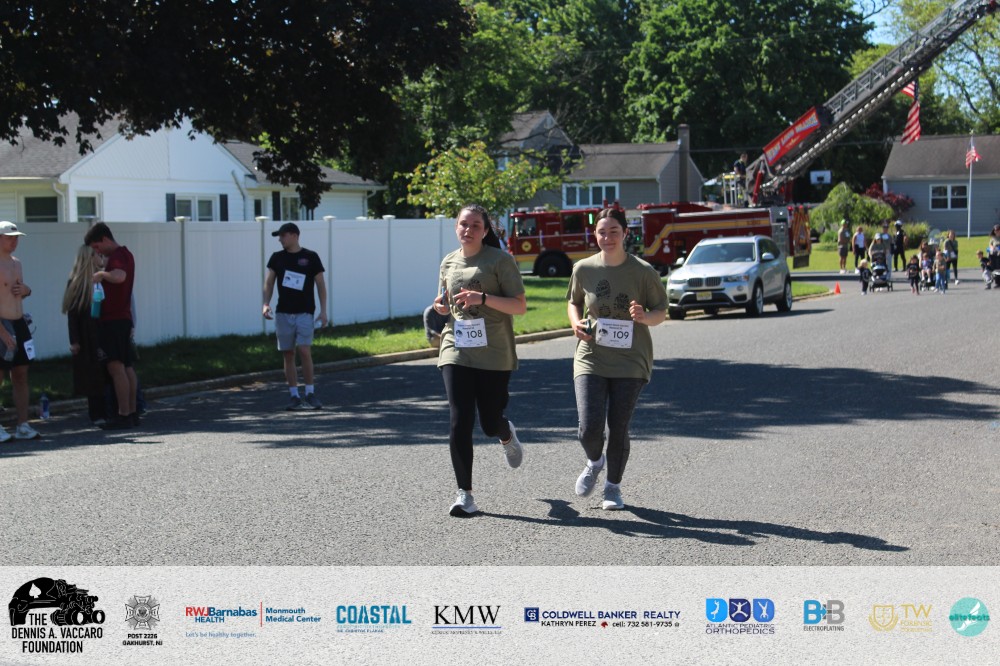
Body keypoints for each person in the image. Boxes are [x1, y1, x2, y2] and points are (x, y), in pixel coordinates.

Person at [567, 207, 667, 511]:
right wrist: (575, 323)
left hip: (630, 359)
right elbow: (573, 302)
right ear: (594, 234)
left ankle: (613, 487)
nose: (607, 237)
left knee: (618, 426)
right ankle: (594, 461)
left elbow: (661, 312)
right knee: (588, 428)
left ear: (625, 234)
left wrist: (644, 316)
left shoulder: (643, 272)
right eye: (602, 232)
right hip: (591, 356)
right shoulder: (583, 269)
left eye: (613, 231)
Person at [433, 204, 526, 517]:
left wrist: (483, 298)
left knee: (488, 422)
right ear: (456, 227)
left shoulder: (500, 260)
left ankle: (505, 433)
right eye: (463, 224)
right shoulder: (448, 261)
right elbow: (444, 303)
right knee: (459, 418)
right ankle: (465, 495)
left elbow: (519, 306)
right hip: (456, 347)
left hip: (494, 352)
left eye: (475, 225)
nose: (468, 230)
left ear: (485, 231)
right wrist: (441, 306)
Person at [263, 222, 328, 411]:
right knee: (288, 353)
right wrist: (265, 303)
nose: (280, 239)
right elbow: (269, 283)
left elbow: (320, 284)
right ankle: (294, 396)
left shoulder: (310, 257)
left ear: (294, 235)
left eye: (283, 235)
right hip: (283, 312)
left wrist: (323, 311)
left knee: (304, 351)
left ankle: (310, 393)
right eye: (279, 236)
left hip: (305, 312)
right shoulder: (277, 258)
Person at [85, 222, 138, 429]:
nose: (98, 251)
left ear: (105, 239)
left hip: (113, 320)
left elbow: (120, 276)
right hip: (123, 319)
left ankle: (123, 414)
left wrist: (102, 275)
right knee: (127, 366)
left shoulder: (117, 256)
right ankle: (132, 412)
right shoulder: (126, 254)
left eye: (97, 246)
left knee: (116, 368)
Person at [0, 221, 39, 441]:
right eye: (9, 237)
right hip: (2, 324)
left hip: (19, 322)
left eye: (16, 238)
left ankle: (23, 425)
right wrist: (3, 334)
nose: (14, 241)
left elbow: (18, 293)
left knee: (21, 373)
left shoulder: (17, 263)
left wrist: (26, 290)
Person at [61, 245, 108, 426]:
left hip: (103, 330)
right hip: (87, 334)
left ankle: (111, 410)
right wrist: (74, 341)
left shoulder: (103, 278)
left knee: (108, 371)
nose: (100, 256)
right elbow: (72, 315)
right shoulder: (76, 283)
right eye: (97, 254)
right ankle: (97, 413)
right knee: (92, 374)